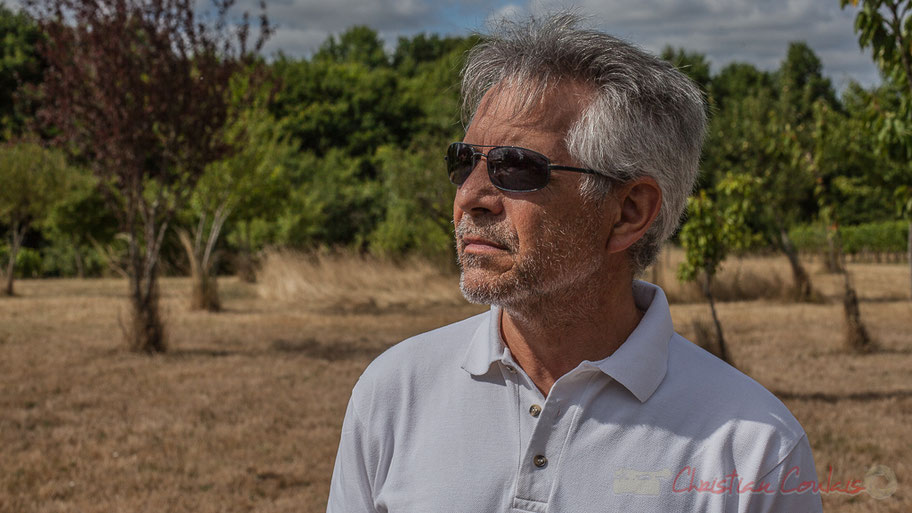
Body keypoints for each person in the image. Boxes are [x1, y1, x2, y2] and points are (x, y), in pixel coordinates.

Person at [327, 13, 823, 513]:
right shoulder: (393, 391)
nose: (470, 196)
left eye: (515, 167)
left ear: (629, 213)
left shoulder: (753, 452)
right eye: (463, 161)